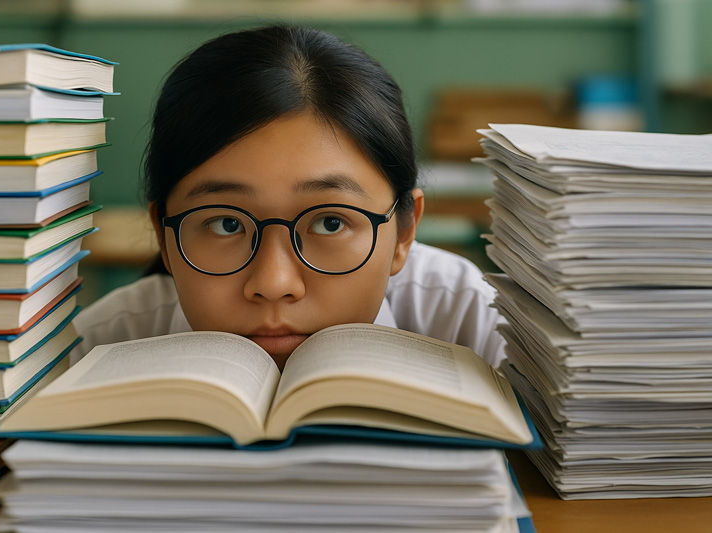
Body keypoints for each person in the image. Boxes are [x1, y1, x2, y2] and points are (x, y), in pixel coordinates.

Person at [71, 24, 505, 369]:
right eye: (227, 224)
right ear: (163, 236)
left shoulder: (469, 319)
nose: (274, 285)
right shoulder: (98, 346)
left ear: (405, 231)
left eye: (330, 222)